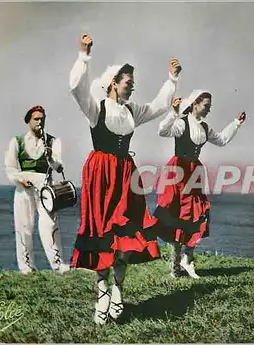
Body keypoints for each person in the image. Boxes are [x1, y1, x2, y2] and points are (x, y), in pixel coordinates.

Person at [68, 33, 182, 325]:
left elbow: (158, 107)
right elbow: (76, 89)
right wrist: (84, 55)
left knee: (125, 234)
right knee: (103, 233)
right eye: (128, 83)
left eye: (133, 83)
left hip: (126, 176)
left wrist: (172, 80)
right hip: (100, 176)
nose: (132, 87)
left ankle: (117, 289)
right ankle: (102, 292)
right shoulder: (97, 109)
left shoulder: (133, 110)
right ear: (113, 84)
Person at [149, 90, 245, 279]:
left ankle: (188, 260)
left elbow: (222, 140)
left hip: (194, 173)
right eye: (206, 106)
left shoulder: (205, 127)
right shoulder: (181, 123)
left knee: (196, 214)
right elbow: (162, 130)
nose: (209, 109)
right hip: (177, 171)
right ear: (194, 104)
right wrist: (174, 112)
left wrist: (236, 123)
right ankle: (175, 265)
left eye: (210, 106)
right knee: (177, 215)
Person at [4, 105, 70, 275]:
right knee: (24, 225)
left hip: (45, 187)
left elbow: (59, 167)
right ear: (29, 121)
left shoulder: (52, 141)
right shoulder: (17, 141)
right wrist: (21, 179)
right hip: (24, 187)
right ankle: (26, 266)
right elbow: (10, 168)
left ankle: (58, 264)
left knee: (50, 223)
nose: (40, 121)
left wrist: (50, 157)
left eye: (43, 118)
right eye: (37, 119)